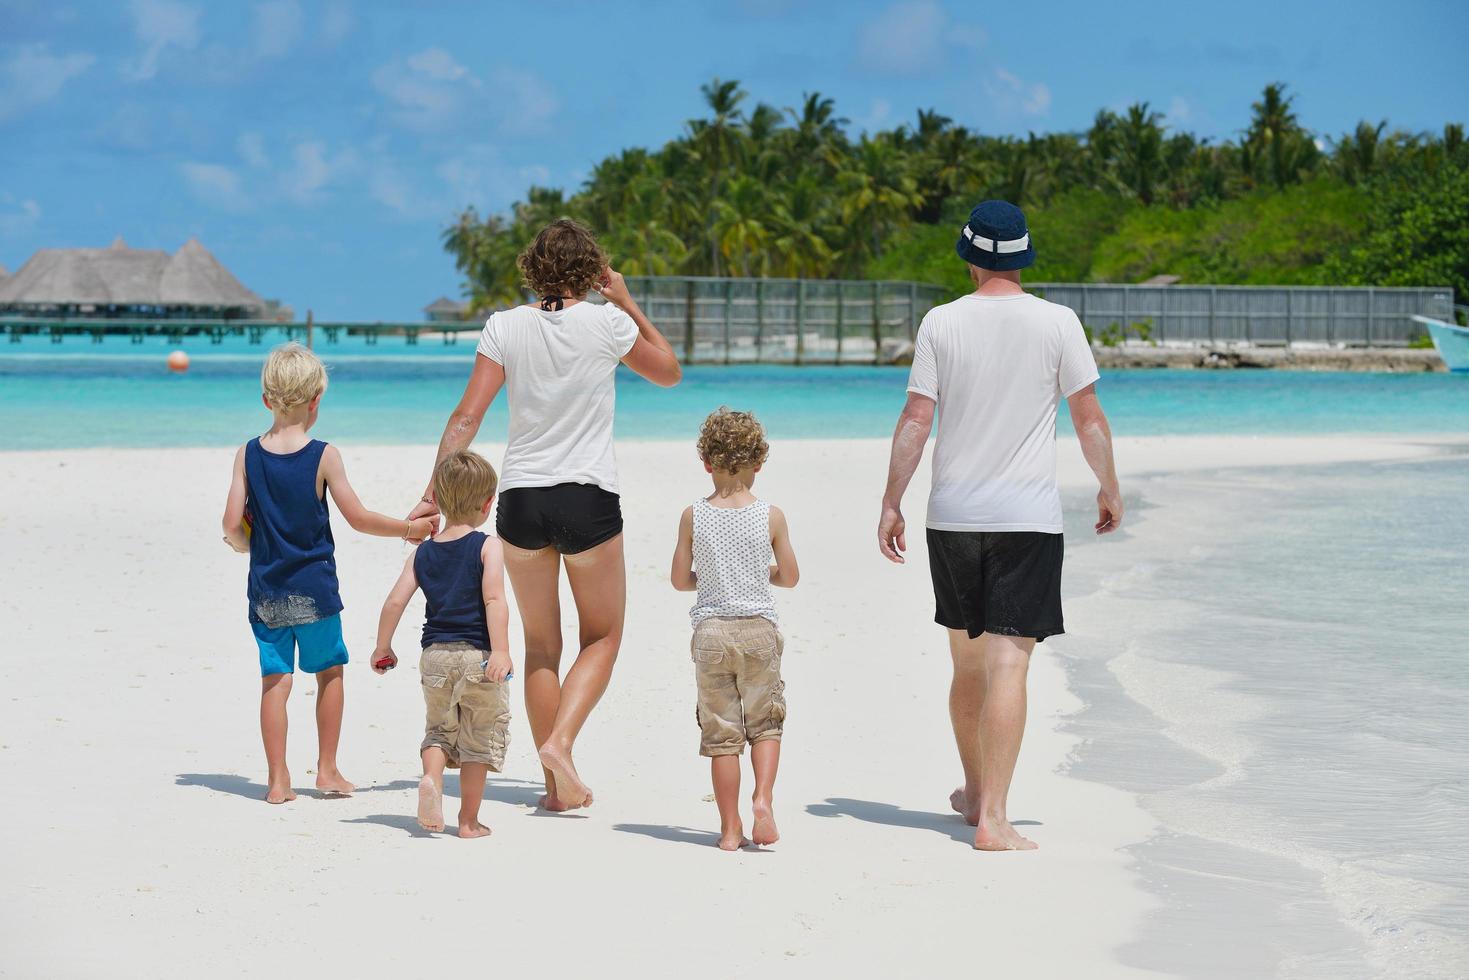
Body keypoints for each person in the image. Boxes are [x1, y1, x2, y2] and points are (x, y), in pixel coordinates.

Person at [407, 219, 681, 810]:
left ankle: (557, 789)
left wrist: (435, 489)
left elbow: (466, 416)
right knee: (603, 635)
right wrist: (628, 301)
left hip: (521, 500)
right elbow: (669, 371)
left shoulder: (504, 325)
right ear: (592, 270)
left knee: (540, 645)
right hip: (587, 495)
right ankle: (560, 745)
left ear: (533, 267)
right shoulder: (608, 322)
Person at [877, 200, 1123, 851]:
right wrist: (1107, 486)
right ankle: (994, 817)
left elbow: (915, 420)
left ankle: (973, 792)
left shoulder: (940, 322)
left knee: (966, 666)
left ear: (967, 257)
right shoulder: (1057, 322)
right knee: (1008, 669)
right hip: (1026, 523)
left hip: (952, 519)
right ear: (1021, 257)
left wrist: (891, 500)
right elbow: (1088, 417)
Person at [221, 342, 437, 804]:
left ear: (265, 399)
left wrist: (245, 544)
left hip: (266, 591)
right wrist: (409, 528)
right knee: (330, 674)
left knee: (275, 683)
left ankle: (278, 780)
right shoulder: (323, 455)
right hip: (315, 591)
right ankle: (327, 769)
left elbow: (230, 524)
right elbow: (357, 517)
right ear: (316, 400)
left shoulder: (247, 455)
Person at [670, 408, 799, 850]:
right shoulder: (771, 515)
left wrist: (708, 581)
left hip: (711, 633)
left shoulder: (693, 515)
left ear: (706, 462)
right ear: (758, 463)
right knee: (764, 724)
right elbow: (790, 575)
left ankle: (729, 830)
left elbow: (679, 580)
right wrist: (763, 574)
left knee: (722, 734)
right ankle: (762, 798)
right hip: (759, 630)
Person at [372, 451, 511, 838]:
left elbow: (395, 600)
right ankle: (468, 821)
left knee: (438, 731)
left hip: (433, 656)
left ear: (442, 503)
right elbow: (494, 600)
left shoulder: (424, 551)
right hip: (477, 656)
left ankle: (432, 778)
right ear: (487, 504)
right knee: (478, 738)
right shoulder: (488, 546)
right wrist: (500, 650)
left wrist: (383, 646)